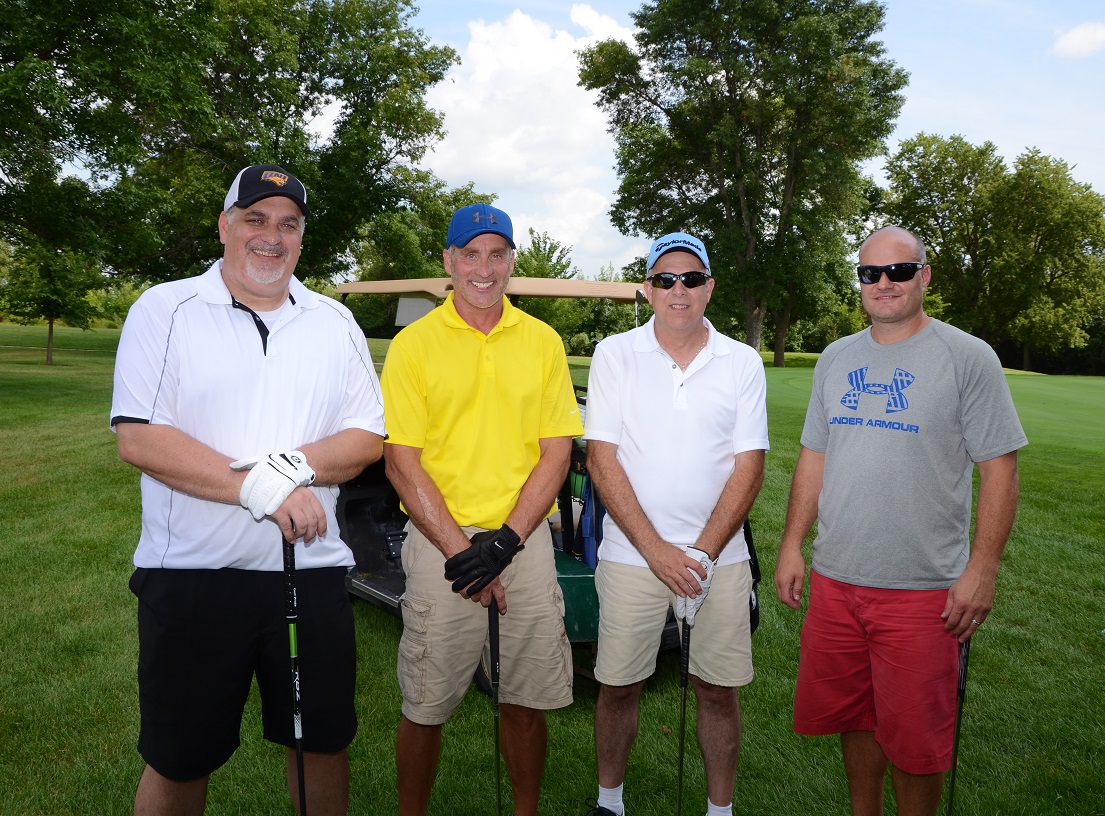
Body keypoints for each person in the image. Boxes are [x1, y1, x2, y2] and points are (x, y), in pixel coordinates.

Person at [111, 163, 385, 816]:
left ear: (301, 237)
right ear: (225, 225)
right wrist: (260, 489)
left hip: (311, 573)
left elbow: (365, 439)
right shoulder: (165, 309)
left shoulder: (334, 322)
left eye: (288, 224)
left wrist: (285, 468)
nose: (271, 236)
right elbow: (141, 439)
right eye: (255, 219)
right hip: (192, 577)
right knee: (179, 759)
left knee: (319, 747)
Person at [774, 225, 1027, 816]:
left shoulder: (968, 358)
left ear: (924, 277)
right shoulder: (836, 358)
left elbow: (1001, 471)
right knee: (856, 717)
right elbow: (814, 457)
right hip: (837, 580)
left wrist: (982, 568)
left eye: (899, 271)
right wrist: (792, 544)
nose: (883, 283)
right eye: (870, 273)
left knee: (917, 744)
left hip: (923, 589)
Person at [380, 202, 583, 816]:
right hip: (441, 541)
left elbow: (556, 454)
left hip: (522, 540)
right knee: (426, 702)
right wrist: (464, 551)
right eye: (471, 254)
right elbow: (401, 463)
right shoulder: (414, 346)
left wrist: (506, 542)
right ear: (449, 262)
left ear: (512, 262)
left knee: (524, 697)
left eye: (497, 254)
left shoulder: (542, 341)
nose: (484, 267)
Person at [583, 232, 768, 816]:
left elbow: (749, 464)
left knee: (717, 691)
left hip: (723, 559)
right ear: (648, 289)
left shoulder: (742, 359)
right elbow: (601, 459)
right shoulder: (615, 353)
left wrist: (704, 553)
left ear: (710, 286)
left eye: (691, 278)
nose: (679, 290)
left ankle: (720, 811)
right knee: (618, 686)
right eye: (665, 280)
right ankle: (609, 802)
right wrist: (660, 552)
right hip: (632, 557)